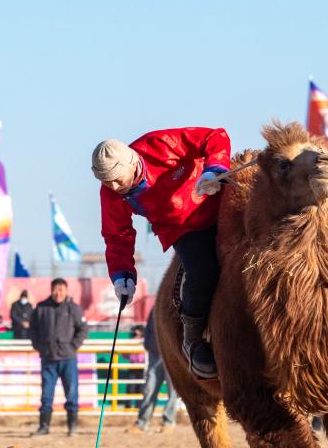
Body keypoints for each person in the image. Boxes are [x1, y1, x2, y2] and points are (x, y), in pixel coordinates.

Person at [92, 127, 231, 380]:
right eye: (106, 181)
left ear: (131, 162)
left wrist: (214, 169)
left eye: (116, 179)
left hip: (217, 199)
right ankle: (193, 338)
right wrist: (122, 274)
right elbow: (117, 235)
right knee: (202, 273)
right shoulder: (111, 193)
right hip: (182, 228)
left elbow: (213, 137)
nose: (113, 186)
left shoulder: (158, 144)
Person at [29, 278, 89, 436]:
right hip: (48, 358)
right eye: (56, 289)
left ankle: (72, 426)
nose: (58, 293)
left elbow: (83, 329)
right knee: (46, 394)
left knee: (71, 394)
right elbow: (33, 329)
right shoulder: (41, 308)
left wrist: (73, 346)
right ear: (51, 290)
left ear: (66, 291)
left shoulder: (74, 308)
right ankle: (44, 426)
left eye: (61, 289)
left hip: (68, 359)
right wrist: (38, 346)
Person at [127, 307, 181, 434]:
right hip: (155, 355)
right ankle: (142, 423)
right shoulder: (155, 308)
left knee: (172, 391)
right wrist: (149, 346)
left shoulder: (177, 305)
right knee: (149, 389)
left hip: (172, 356)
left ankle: (168, 422)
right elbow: (149, 329)